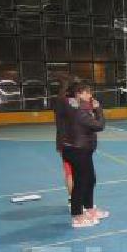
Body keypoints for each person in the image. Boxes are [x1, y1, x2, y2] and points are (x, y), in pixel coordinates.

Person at [60, 81, 108, 228]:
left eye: (90, 92)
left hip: (82, 150)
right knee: (80, 183)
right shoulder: (78, 111)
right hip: (77, 151)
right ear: (78, 94)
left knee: (90, 179)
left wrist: (91, 107)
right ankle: (77, 217)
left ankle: (89, 209)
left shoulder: (77, 107)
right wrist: (98, 109)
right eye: (86, 92)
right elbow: (99, 126)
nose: (90, 95)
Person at [53, 74, 75, 207]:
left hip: (63, 143)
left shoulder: (58, 104)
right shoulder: (70, 105)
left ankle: (72, 198)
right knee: (73, 173)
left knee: (70, 172)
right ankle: (74, 200)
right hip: (71, 143)